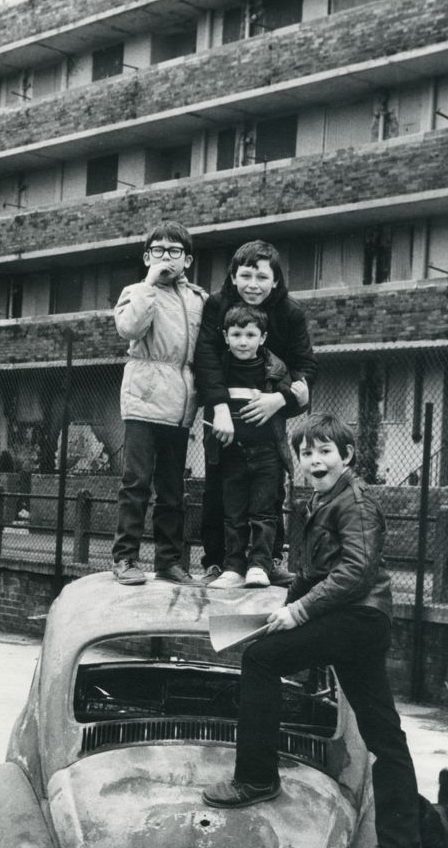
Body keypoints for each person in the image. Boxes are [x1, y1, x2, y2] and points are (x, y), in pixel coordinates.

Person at [202, 413, 423, 848]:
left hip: (357, 617)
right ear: (299, 461)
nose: (315, 459)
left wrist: (298, 614)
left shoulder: (355, 504)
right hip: (358, 619)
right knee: (384, 734)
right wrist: (279, 614)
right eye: (307, 452)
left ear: (347, 457)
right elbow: (312, 574)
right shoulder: (323, 501)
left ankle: (256, 778)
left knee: (260, 662)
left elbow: (354, 573)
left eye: (326, 451)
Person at [193, 240, 316, 587]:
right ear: (233, 276)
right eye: (245, 275)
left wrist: (281, 400)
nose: (253, 284)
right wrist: (218, 409)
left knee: (269, 495)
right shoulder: (218, 307)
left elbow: (305, 367)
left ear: (275, 281)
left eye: (262, 277)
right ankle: (218, 563)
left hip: (268, 422)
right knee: (220, 491)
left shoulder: (290, 313)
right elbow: (205, 360)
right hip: (223, 416)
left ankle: (267, 562)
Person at [111, 221, 207, 586]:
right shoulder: (135, 291)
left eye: (175, 251)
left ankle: (169, 561)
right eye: (158, 250)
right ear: (147, 256)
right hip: (143, 399)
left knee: (172, 489)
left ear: (189, 259)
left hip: (181, 405)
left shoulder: (199, 299)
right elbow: (130, 329)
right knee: (135, 482)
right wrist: (149, 284)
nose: (166, 257)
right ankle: (125, 559)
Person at [203, 305, 294, 589]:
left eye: (251, 334)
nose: (243, 341)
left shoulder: (277, 369)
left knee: (265, 512)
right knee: (234, 514)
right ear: (226, 336)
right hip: (232, 454)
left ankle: (259, 565)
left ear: (263, 338)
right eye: (237, 334)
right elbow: (206, 395)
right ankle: (233, 567)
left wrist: (285, 394)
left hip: (267, 455)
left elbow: (293, 399)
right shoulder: (219, 368)